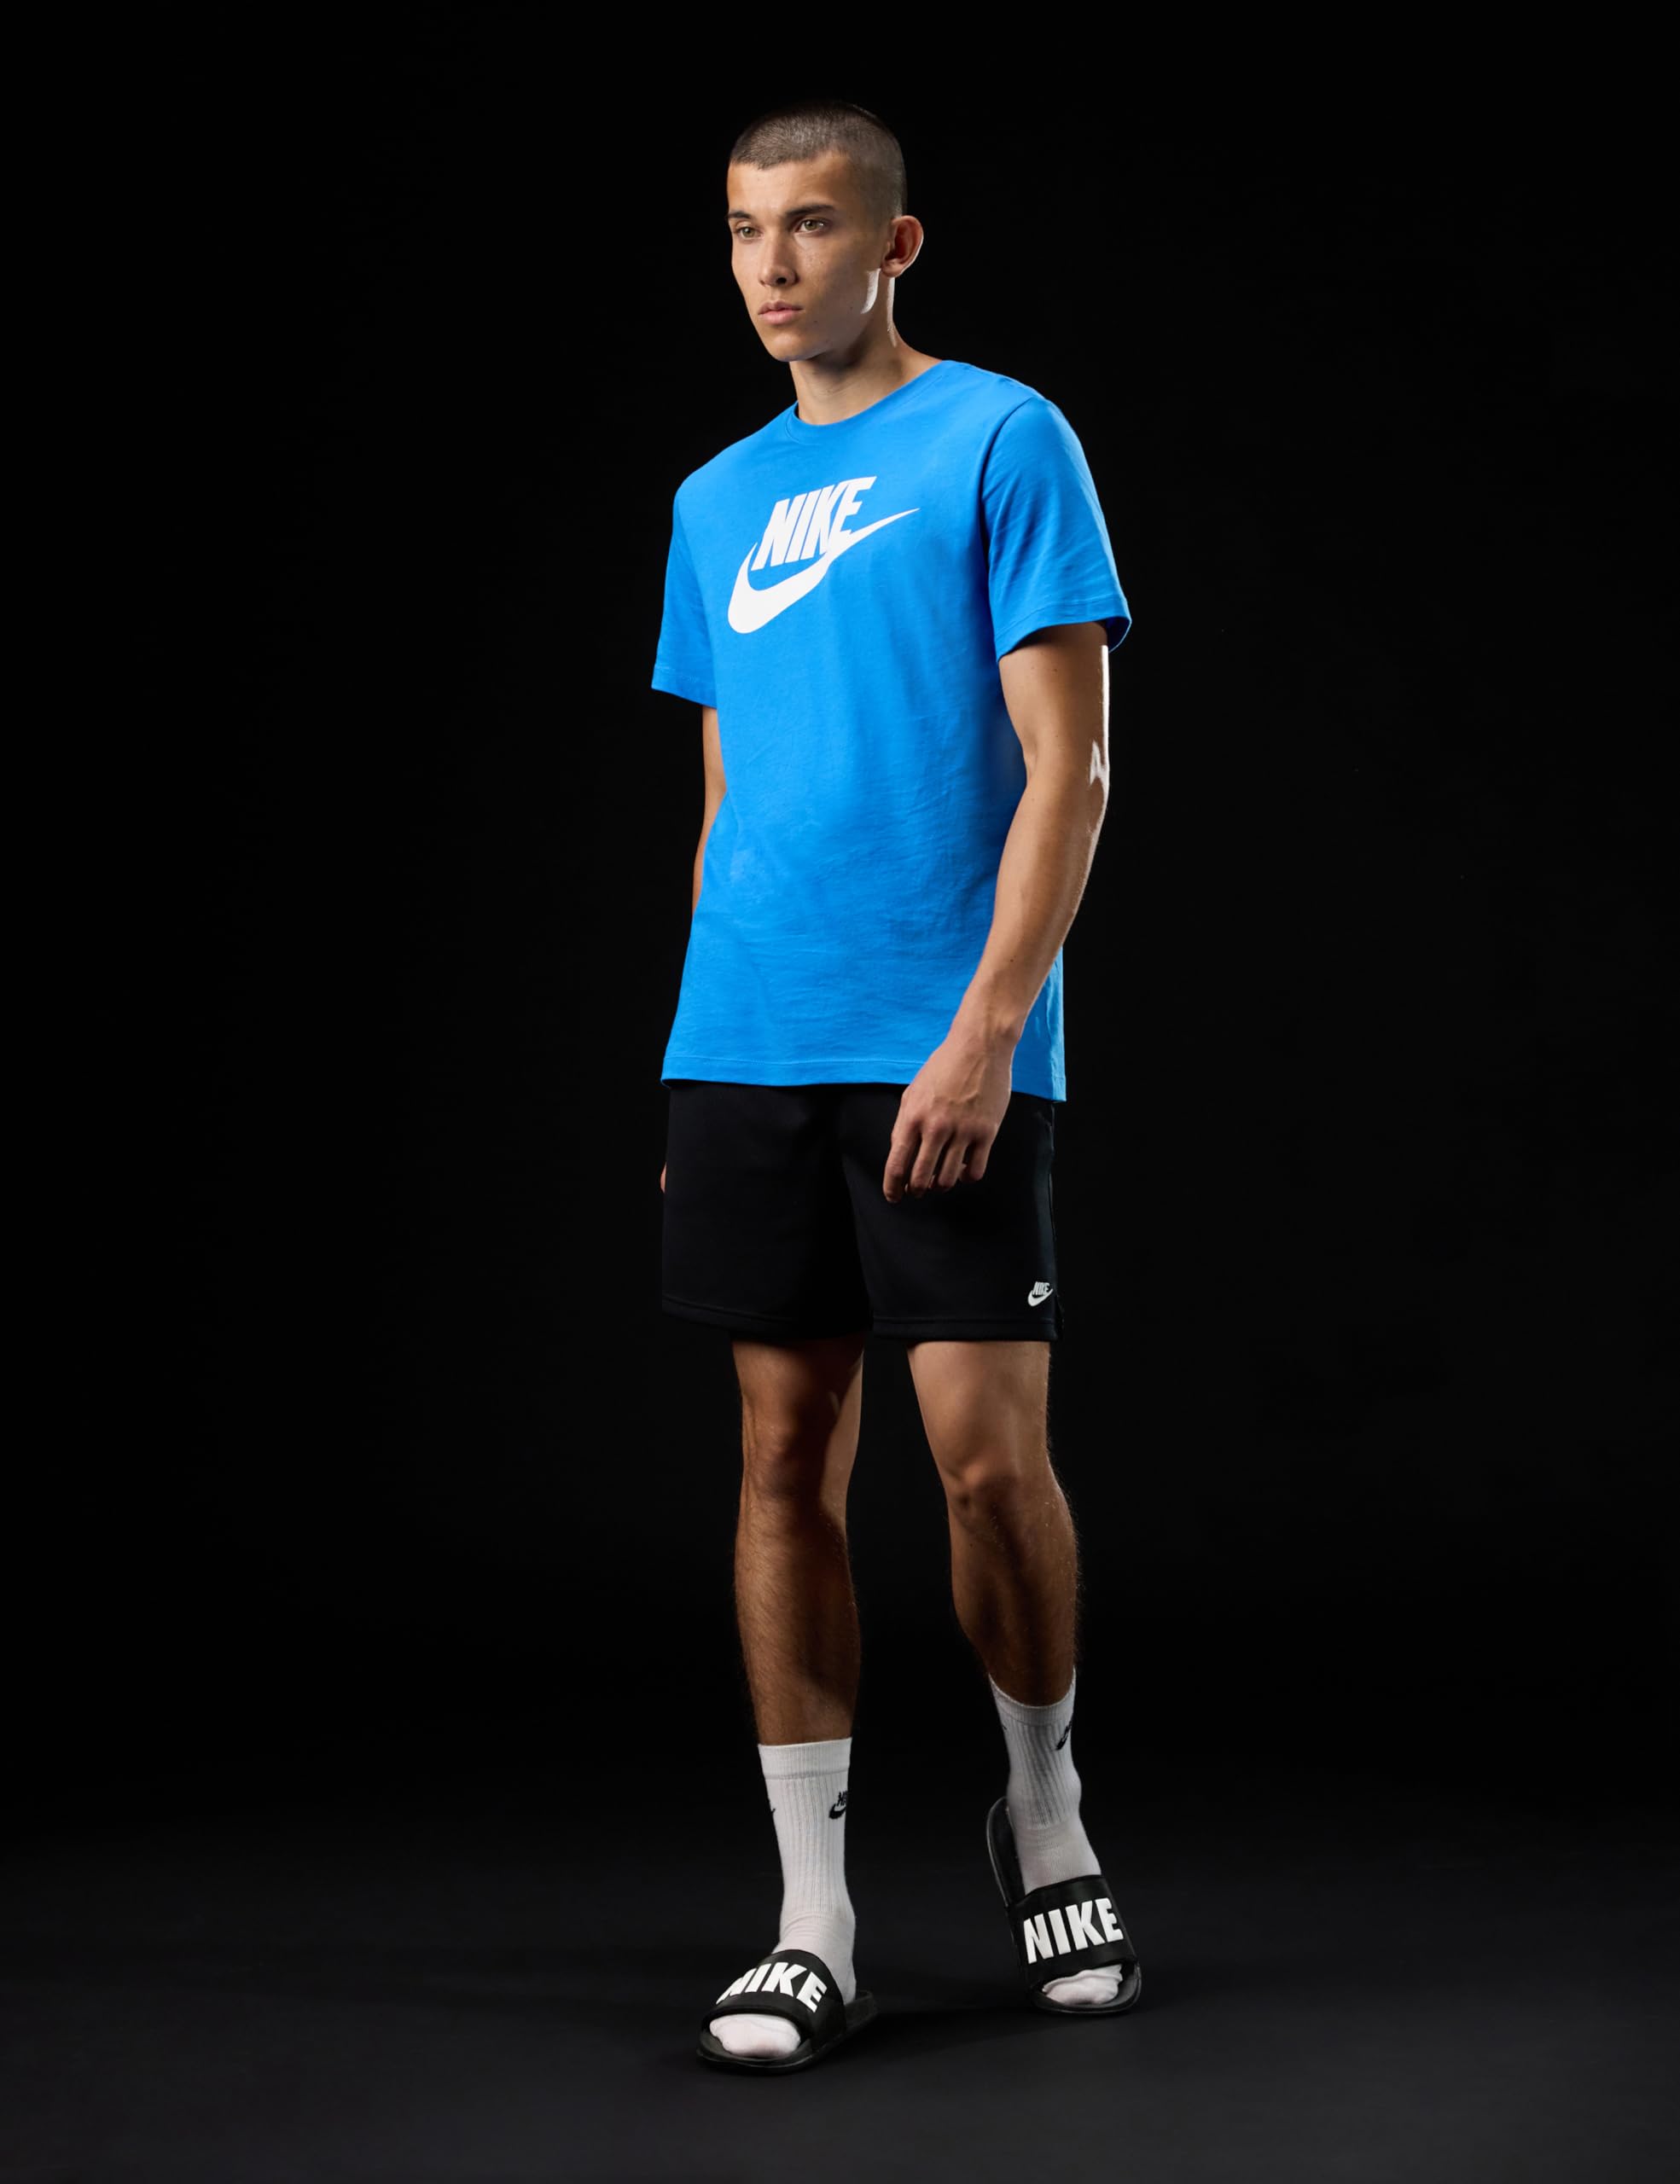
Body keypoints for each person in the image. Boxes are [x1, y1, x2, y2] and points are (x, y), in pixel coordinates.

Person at [653, 98, 1141, 2073]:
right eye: (744, 229)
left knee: (980, 1459)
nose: (774, 264)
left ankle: (1045, 1808)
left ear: (893, 244)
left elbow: (1070, 769)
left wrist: (987, 1027)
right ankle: (812, 1915)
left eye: (811, 225)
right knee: (780, 1458)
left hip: (943, 1036)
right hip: (748, 1045)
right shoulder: (710, 501)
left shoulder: (1003, 439)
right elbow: (725, 798)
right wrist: (696, 1051)